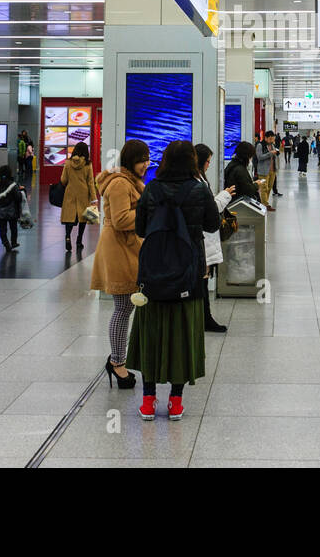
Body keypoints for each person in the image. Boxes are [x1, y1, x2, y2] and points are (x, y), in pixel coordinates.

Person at [130, 141, 221, 421]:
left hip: (155, 268)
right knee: (183, 333)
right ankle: (176, 402)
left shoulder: (153, 187)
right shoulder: (198, 188)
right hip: (189, 269)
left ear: (166, 160)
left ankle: (147, 401)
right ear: (192, 161)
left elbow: (140, 227)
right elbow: (212, 225)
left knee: (151, 331)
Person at [92, 140, 149, 389]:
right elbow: (120, 219)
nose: (146, 164)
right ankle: (116, 363)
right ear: (130, 160)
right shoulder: (119, 184)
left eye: (147, 159)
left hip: (127, 248)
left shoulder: (128, 181)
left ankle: (119, 360)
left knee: (125, 306)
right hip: (118, 249)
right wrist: (149, 211)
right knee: (123, 307)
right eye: (141, 160)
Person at [194, 144, 234, 333]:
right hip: (202, 237)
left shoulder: (200, 178)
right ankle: (204, 318)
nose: (209, 165)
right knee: (201, 280)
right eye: (208, 161)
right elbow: (208, 208)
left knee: (203, 279)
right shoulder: (196, 181)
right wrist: (225, 195)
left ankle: (205, 317)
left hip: (206, 238)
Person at [60, 142, 98, 252]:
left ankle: (67, 237)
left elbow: (63, 180)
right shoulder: (87, 164)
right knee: (83, 218)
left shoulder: (68, 163)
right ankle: (79, 240)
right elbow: (90, 182)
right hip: (83, 193)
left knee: (69, 217)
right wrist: (94, 198)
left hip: (70, 192)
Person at [0, 165, 25, 252]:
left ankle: (6, 244)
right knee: (13, 228)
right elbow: (18, 198)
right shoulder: (13, 185)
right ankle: (13, 242)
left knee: (2, 229)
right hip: (12, 212)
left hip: (1, 212)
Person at [256, 131, 279, 211]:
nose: (271, 140)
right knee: (264, 188)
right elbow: (259, 157)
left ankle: (264, 203)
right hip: (263, 171)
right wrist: (270, 153)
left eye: (273, 139)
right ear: (265, 138)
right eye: (270, 139)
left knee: (269, 187)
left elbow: (274, 155)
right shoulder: (260, 145)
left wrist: (275, 153)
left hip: (272, 170)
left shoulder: (272, 145)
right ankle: (265, 204)